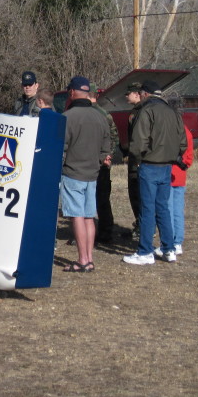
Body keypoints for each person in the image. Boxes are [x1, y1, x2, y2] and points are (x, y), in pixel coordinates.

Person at [123, 80, 187, 265]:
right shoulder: (173, 113)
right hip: (167, 166)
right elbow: (182, 142)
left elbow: (138, 142)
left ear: (144, 94)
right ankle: (169, 248)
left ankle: (145, 252)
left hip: (149, 165)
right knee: (163, 208)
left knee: (147, 209)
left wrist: (137, 159)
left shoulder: (146, 111)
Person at [60, 76, 111, 273]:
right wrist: (97, 163)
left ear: (72, 92)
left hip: (73, 173)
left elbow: (61, 147)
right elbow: (106, 148)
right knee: (89, 217)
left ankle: (82, 260)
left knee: (76, 216)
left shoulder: (68, 117)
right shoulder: (100, 116)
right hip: (93, 174)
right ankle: (89, 258)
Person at [159, 96, 194, 256]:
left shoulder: (175, 130)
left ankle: (172, 242)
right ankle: (177, 241)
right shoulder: (186, 130)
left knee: (169, 209)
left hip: (170, 174)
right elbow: (189, 159)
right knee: (177, 210)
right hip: (180, 176)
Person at [89, 84, 118, 244]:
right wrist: (109, 155)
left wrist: (107, 155)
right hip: (100, 161)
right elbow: (115, 137)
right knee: (102, 198)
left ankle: (103, 232)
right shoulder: (105, 114)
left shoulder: (101, 114)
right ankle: (104, 231)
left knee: (97, 198)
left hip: (93, 162)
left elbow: (113, 136)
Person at [123, 82, 143, 240]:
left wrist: (135, 157)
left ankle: (141, 227)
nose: (126, 96)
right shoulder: (141, 111)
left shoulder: (139, 113)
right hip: (138, 159)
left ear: (137, 94)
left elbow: (137, 139)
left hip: (138, 162)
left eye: (128, 93)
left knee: (137, 195)